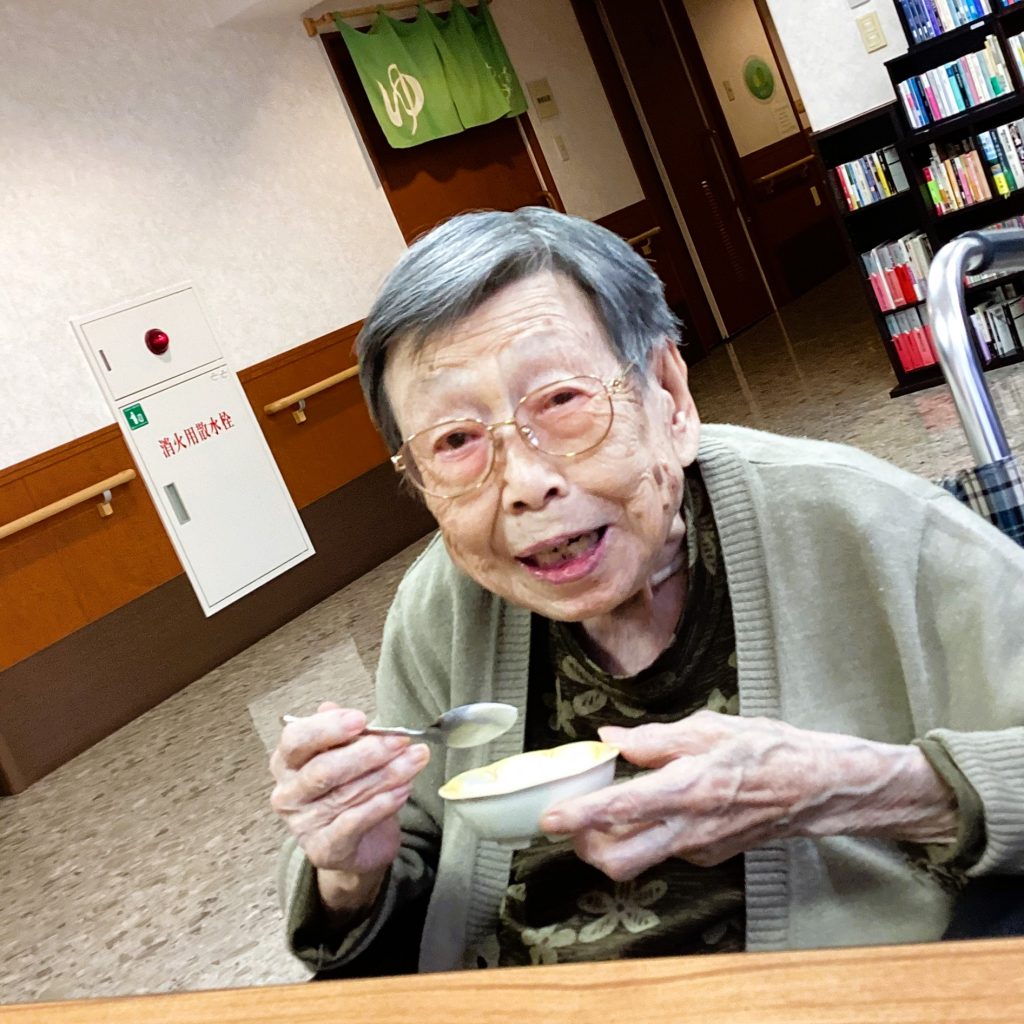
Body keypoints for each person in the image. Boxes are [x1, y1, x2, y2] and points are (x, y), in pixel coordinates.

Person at [269, 207, 1024, 975]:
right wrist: (349, 873)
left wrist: (854, 788)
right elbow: (411, 865)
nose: (525, 483)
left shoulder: (869, 523)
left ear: (669, 395)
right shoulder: (443, 605)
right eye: (456, 441)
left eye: (562, 402)